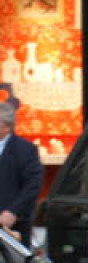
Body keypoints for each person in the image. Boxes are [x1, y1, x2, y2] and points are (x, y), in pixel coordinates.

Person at [0, 102, 42, 247]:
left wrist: (13, 211)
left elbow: (32, 185)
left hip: (13, 224)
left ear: (6, 126)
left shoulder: (25, 150)